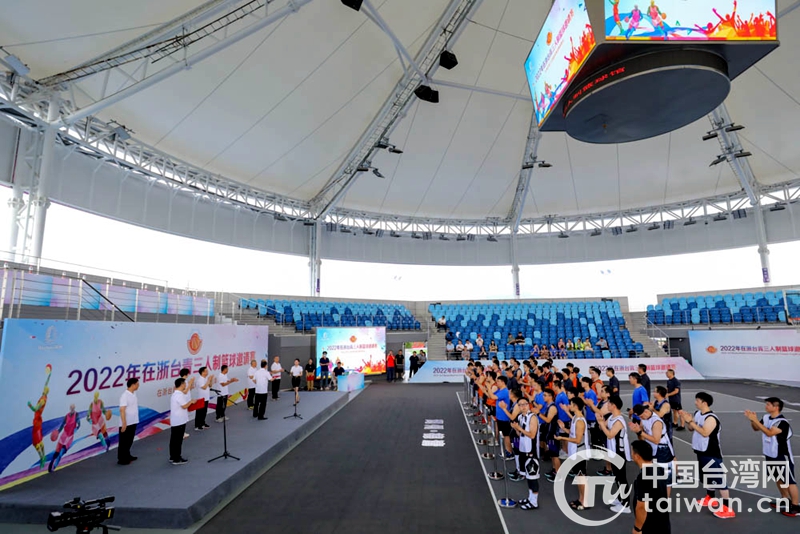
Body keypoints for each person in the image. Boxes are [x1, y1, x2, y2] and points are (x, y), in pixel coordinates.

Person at [680, 392, 736, 519]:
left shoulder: (711, 418)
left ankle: (728, 508)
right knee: (707, 478)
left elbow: (705, 432)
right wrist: (688, 421)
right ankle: (710, 498)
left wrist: (691, 422)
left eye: (697, 400)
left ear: (704, 403)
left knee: (719, 481)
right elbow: (691, 429)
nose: (695, 402)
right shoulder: (698, 414)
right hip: (701, 451)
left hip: (711, 453)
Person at [745, 397, 799, 517]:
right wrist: (752, 420)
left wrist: (756, 420)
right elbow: (756, 428)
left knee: (789, 481)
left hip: (782, 455)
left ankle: (796, 506)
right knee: (778, 477)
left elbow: (769, 433)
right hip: (770, 454)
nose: (766, 406)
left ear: (776, 407)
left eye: (768, 404)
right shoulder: (766, 418)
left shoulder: (782, 422)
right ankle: (785, 499)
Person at [597, 396, 632, 514]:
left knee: (622, 478)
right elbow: (603, 427)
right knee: (617, 477)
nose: (607, 405)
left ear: (614, 406)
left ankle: (626, 504)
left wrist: (601, 423)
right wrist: (601, 421)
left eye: (609, 404)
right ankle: (621, 498)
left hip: (619, 453)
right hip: (613, 451)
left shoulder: (618, 421)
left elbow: (610, 434)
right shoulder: (612, 417)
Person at [631, 404, 674, 493]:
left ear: (646, 411)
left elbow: (656, 440)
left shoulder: (656, 422)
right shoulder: (643, 419)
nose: (641, 418)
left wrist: (640, 432)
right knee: (653, 475)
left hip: (663, 450)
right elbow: (642, 437)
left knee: (666, 478)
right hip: (651, 449)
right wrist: (638, 432)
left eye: (641, 416)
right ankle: (655, 496)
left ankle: (665, 499)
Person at [556, 397, 590, 510]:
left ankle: (585, 501)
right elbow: (572, 433)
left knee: (581, 477)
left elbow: (577, 440)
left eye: (570, 404)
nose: (569, 406)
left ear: (575, 406)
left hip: (579, 452)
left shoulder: (580, 421)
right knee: (579, 477)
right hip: (575, 451)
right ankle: (581, 499)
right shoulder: (575, 418)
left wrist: (562, 437)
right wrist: (564, 428)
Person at [631, 440, 671, 533]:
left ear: (637, 456)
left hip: (650, 526)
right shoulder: (659, 469)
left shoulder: (643, 478)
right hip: (663, 524)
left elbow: (642, 508)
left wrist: (637, 529)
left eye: (632, 452)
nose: (631, 455)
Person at [512, 396, 540, 510]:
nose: (523, 406)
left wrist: (519, 428)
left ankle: (534, 502)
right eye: (520, 405)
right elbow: (521, 435)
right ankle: (530, 498)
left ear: (528, 405)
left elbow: (532, 435)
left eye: (525, 404)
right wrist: (516, 429)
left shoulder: (532, 417)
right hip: (523, 450)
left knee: (533, 477)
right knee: (527, 476)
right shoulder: (520, 417)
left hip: (531, 451)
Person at [27, 373, 50, 470]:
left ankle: (42, 458)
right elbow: (46, 383)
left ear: (45, 391)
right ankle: (43, 456)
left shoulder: (42, 400)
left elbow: (35, 409)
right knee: (39, 440)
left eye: (44, 389)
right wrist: (49, 374)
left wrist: (30, 405)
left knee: (36, 443)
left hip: (37, 422)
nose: (43, 389)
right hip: (38, 421)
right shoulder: (44, 396)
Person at [48, 404, 80, 472]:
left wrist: (76, 429)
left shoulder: (76, 415)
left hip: (69, 437)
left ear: (74, 409)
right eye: (71, 408)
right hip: (64, 435)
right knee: (56, 452)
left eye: (73, 408)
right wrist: (58, 432)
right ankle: (51, 463)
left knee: (61, 452)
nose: (72, 409)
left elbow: (79, 424)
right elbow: (62, 425)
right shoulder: (66, 416)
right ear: (70, 409)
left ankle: (54, 466)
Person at [169, 378, 193, 465]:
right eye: (185, 384)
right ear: (182, 384)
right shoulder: (179, 395)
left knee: (174, 440)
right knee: (178, 440)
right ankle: (177, 458)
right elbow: (184, 406)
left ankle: (173, 456)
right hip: (179, 421)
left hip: (176, 420)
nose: (185, 385)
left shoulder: (176, 394)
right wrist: (191, 402)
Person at [118, 378, 140, 465]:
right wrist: (124, 423)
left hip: (133, 421)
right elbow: (122, 409)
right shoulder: (125, 396)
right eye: (137, 384)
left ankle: (127, 455)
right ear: (133, 385)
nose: (138, 386)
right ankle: (121, 459)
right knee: (123, 441)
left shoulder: (134, 394)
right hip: (126, 423)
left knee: (129, 440)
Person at [194, 367, 213, 431]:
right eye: (206, 371)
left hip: (206, 398)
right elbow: (204, 387)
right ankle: (197, 425)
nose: (207, 372)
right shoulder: (200, 380)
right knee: (199, 412)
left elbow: (210, 386)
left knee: (204, 412)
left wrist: (210, 380)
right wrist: (208, 380)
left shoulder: (206, 379)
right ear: (202, 372)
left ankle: (203, 423)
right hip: (200, 399)